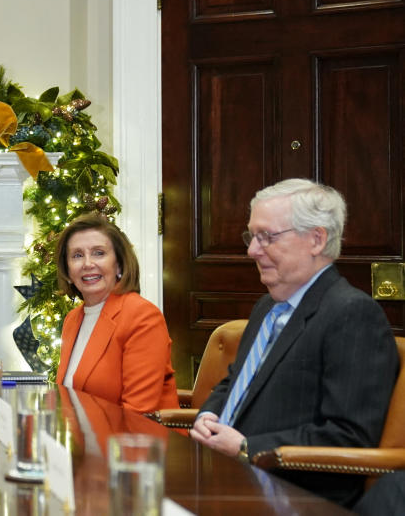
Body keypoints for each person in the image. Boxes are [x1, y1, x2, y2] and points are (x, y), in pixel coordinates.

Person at [191, 179, 398, 507]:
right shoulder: (267, 307)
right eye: (252, 236)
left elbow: (348, 435)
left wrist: (247, 447)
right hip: (226, 477)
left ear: (316, 239)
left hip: (292, 496)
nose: (251, 250)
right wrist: (209, 416)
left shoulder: (353, 314)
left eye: (266, 237)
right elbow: (236, 381)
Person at [53, 213, 179, 413]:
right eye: (77, 255)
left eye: (98, 253)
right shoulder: (73, 319)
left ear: (119, 264)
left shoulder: (142, 316)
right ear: (67, 272)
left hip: (137, 440)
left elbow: (138, 412)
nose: (87, 263)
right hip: (85, 439)